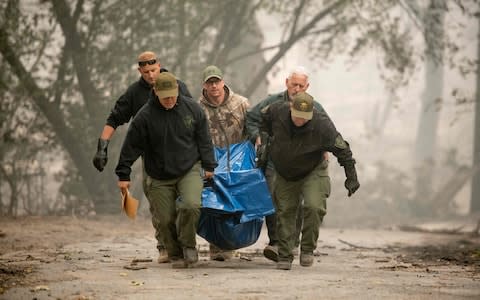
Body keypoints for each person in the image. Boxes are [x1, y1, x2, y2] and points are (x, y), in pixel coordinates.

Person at [92, 51, 192, 263]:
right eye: (146, 72)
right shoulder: (134, 94)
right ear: (140, 71)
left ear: (160, 66)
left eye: (154, 70)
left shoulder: (177, 86)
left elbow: (194, 116)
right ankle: (163, 245)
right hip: (153, 156)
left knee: (184, 202)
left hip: (180, 153)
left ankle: (184, 244)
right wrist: (102, 147)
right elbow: (114, 118)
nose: (151, 75)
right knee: (158, 203)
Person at [115, 72, 217, 268]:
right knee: (164, 219)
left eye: (172, 95)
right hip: (159, 174)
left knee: (191, 205)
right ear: (155, 92)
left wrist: (209, 164)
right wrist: (123, 174)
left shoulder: (193, 109)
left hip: (189, 168)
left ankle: (188, 245)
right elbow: (130, 146)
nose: (169, 100)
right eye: (165, 97)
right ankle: (175, 252)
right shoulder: (144, 117)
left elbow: (204, 139)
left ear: (178, 90)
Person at [260, 91, 360, 270]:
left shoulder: (322, 125)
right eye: (297, 116)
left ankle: (307, 248)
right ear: (291, 108)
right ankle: (284, 255)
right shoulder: (276, 111)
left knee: (314, 206)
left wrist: (351, 177)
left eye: (305, 117)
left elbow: (343, 150)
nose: (300, 120)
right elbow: (263, 121)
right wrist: (266, 142)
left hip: (313, 170)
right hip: (285, 171)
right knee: (285, 211)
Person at [246, 66, 328, 262]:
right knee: (274, 201)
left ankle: (292, 244)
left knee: (299, 203)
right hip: (275, 161)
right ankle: (276, 242)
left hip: (305, 166)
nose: (297, 88)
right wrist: (256, 136)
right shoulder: (272, 102)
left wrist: (325, 149)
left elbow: (327, 130)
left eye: (301, 85)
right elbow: (251, 117)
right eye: (294, 84)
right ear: (287, 84)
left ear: (307, 87)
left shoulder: (315, 107)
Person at [198, 65, 250, 261]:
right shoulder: (198, 108)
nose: (214, 86)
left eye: (216, 81)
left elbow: (252, 127)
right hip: (212, 162)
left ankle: (232, 243)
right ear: (204, 85)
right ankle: (216, 245)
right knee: (214, 205)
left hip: (238, 162)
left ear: (223, 82)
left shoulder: (241, 103)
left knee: (236, 204)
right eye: (209, 82)